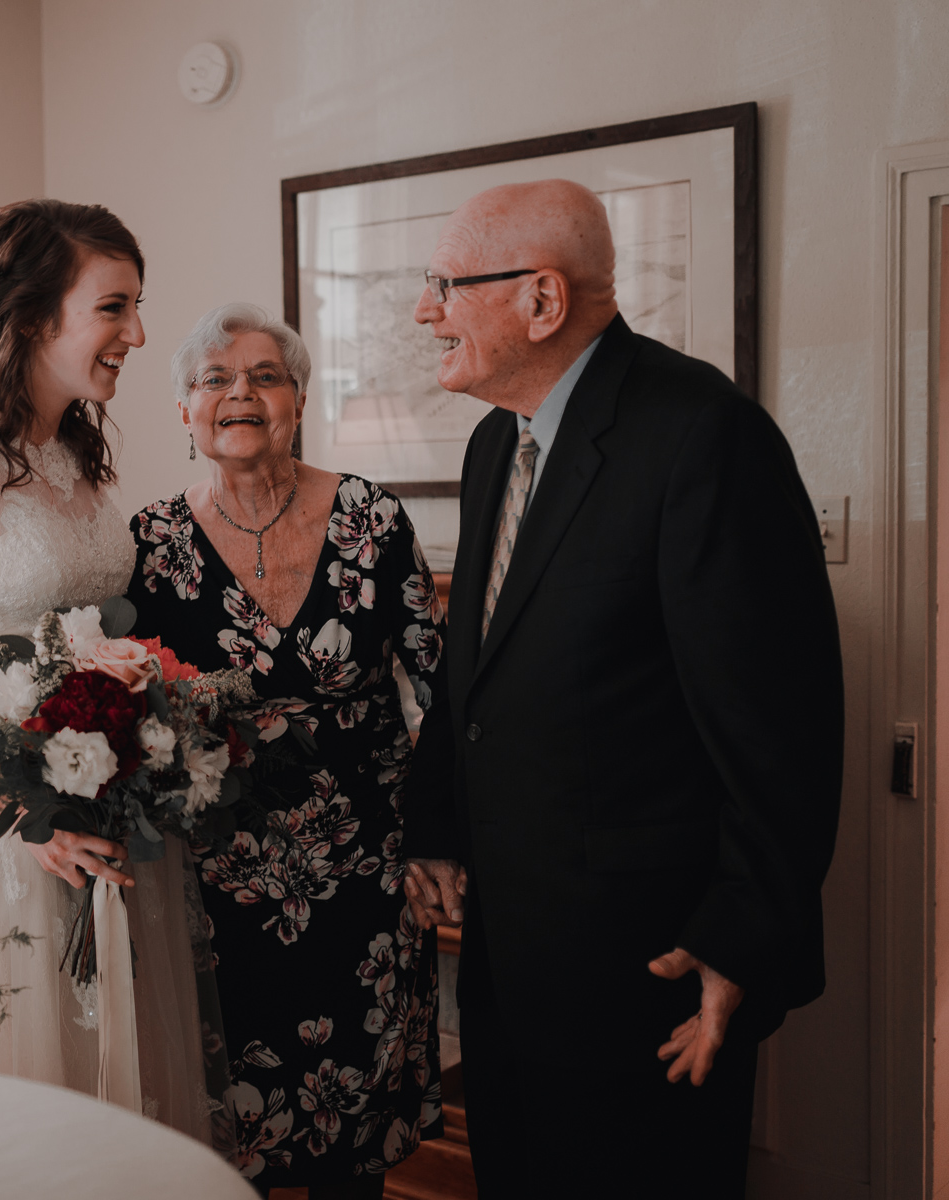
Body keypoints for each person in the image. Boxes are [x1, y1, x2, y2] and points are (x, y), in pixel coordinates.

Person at [401, 180, 842, 1199]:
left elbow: (782, 726)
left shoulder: (703, 435)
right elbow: (479, 669)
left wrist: (742, 938)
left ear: (541, 300)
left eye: (446, 286)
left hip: (649, 966)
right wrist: (434, 822)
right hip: (513, 954)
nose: (426, 312)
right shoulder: (494, 441)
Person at [0, 199, 221, 1140]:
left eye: (137, 308)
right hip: (12, 835)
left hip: (113, 816)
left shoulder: (78, 448)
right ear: (30, 317)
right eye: (113, 308)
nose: (136, 335)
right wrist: (24, 814)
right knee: (28, 1114)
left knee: (121, 1093)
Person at [125, 303, 444, 1198]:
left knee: (354, 1137)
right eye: (215, 379)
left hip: (369, 864)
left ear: (298, 402)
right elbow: (129, 709)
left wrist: (438, 834)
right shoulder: (149, 543)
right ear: (184, 410)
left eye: (266, 376)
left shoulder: (372, 519)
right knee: (234, 1128)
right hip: (217, 873)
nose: (241, 393)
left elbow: (443, 687)